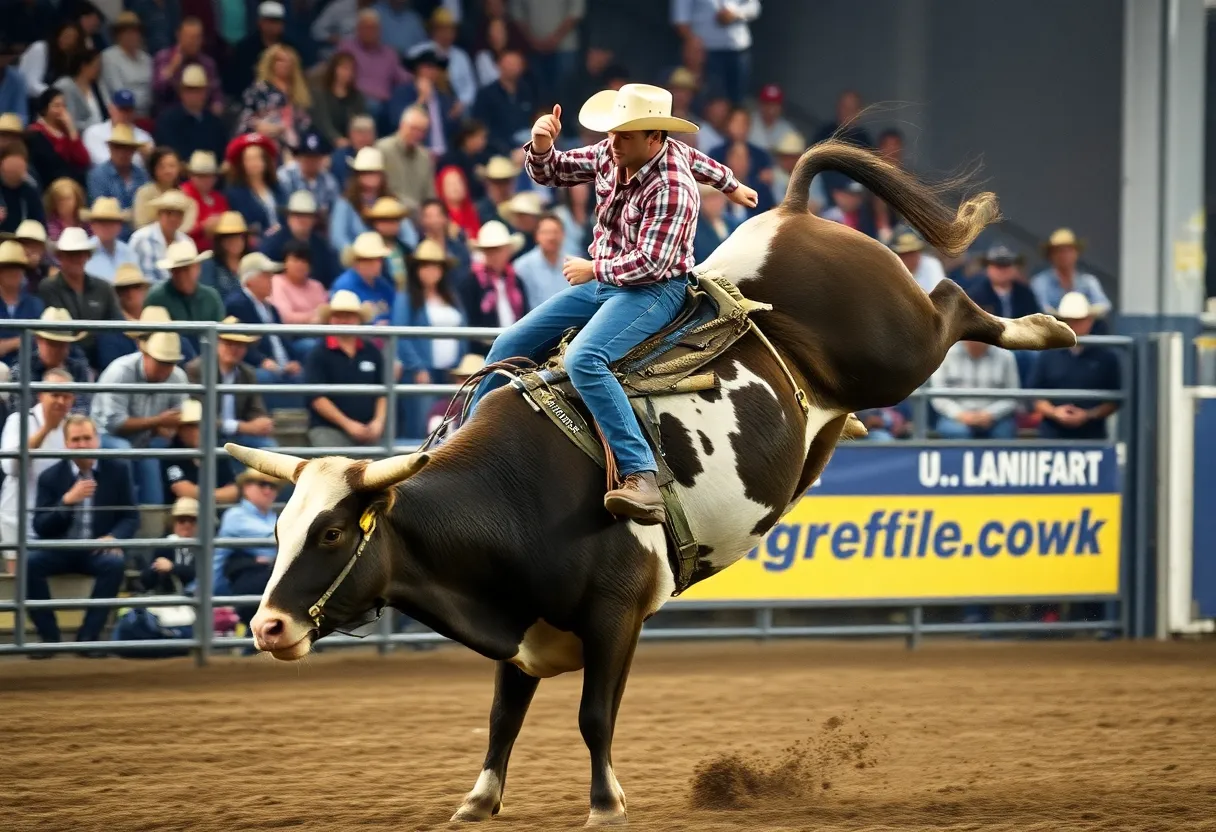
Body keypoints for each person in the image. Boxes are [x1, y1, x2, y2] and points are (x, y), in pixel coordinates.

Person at [469, 84, 757, 522]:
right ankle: (463, 444)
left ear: (654, 139)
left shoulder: (674, 188)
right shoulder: (617, 151)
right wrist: (542, 146)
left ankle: (641, 475)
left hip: (655, 288)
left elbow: (654, 262)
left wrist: (594, 269)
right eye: (612, 133)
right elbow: (554, 172)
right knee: (510, 341)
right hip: (607, 280)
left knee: (586, 359)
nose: (611, 143)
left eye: (624, 135)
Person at [27, 414, 136, 655]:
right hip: (60, 548)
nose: (82, 444)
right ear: (66, 444)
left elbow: (131, 516)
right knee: (30, 563)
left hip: (97, 548)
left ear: (97, 439)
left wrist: (114, 537)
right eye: (75, 439)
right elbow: (40, 526)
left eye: (87, 438)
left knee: (115, 564)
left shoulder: (117, 469)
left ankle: (88, 638)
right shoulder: (51, 476)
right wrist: (66, 502)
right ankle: (50, 638)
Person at [90, 330, 188, 505]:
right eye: (161, 362)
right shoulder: (120, 372)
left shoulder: (178, 377)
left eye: (170, 363)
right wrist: (158, 421)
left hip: (147, 438)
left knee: (156, 453)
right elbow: (115, 424)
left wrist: (167, 429)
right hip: (105, 436)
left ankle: (152, 519)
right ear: (145, 355)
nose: (166, 369)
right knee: (124, 449)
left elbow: (179, 418)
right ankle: (122, 509)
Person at [390, 238, 466, 437]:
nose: (430, 270)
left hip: (451, 372)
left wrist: (461, 366)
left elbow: (464, 331)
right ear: (416, 269)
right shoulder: (406, 297)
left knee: (449, 426)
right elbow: (401, 334)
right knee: (422, 426)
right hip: (422, 374)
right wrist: (417, 367)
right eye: (425, 265)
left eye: (435, 266)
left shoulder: (452, 296)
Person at [0, 368, 73, 566]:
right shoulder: (18, 421)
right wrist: (46, 429)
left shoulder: (74, 427)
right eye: (54, 394)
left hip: (52, 521)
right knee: (19, 589)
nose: (60, 401)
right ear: (41, 395)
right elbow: (11, 468)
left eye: (65, 396)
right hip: (17, 518)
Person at [1031, 292, 1121, 441]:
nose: (1073, 325)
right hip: (1053, 433)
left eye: (1079, 320)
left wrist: (1089, 415)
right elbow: (1034, 395)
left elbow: (1114, 399)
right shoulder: (1047, 353)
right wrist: (1054, 412)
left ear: (1090, 321)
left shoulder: (1106, 356)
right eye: (1069, 320)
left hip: (1092, 434)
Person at [304, 289, 384, 447]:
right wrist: (348, 425)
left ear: (358, 319)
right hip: (329, 429)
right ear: (330, 319)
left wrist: (378, 423)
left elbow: (384, 391)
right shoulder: (319, 352)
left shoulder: (371, 351)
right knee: (336, 467)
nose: (343, 320)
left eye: (349, 315)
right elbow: (317, 398)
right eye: (338, 315)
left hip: (369, 430)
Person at [212, 467, 281, 629]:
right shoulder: (235, 515)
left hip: (252, 579)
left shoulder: (272, 517)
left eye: (273, 486)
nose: (268, 490)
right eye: (263, 484)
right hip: (224, 587)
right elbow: (282, 539)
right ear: (246, 488)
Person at [928, 341, 1020, 440]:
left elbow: (1012, 396)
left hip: (995, 417)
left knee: (1002, 433)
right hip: (956, 417)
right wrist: (961, 415)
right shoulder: (944, 354)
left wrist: (989, 414)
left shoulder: (1006, 356)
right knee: (956, 432)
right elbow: (938, 396)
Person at [159, 398, 240, 505]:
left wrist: (205, 495)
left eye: (199, 425)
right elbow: (183, 490)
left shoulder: (217, 451)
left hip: (218, 513)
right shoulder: (171, 454)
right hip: (184, 517)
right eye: (189, 426)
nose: (195, 431)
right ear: (179, 429)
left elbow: (234, 491)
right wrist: (219, 495)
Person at [330, 230, 397, 324]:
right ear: (356, 262)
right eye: (368, 260)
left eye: (378, 259)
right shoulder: (344, 286)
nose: (376, 264)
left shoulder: (383, 285)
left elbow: (395, 312)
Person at [128, 188, 191, 282]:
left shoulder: (186, 241)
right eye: (169, 213)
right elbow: (130, 273)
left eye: (178, 214)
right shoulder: (140, 238)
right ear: (159, 214)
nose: (173, 218)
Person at [133, 146, 199, 232]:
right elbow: (140, 223)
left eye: (172, 166)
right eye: (162, 166)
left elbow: (187, 226)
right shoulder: (144, 193)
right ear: (154, 169)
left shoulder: (185, 195)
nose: (167, 171)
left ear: (179, 168)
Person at [99, 13, 153, 119]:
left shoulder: (147, 59)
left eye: (135, 32)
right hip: (122, 115)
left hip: (148, 114)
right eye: (127, 33)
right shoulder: (109, 57)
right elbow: (118, 91)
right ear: (118, 35)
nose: (132, 36)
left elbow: (152, 89)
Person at [142, 496, 199, 595]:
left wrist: (172, 567)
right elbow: (146, 581)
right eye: (182, 520)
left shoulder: (205, 545)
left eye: (192, 520)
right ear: (174, 522)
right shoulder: (164, 544)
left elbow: (200, 573)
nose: (187, 525)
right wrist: (156, 568)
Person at [82, 89, 153, 168]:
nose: (125, 114)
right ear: (110, 109)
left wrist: (148, 158)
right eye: (121, 110)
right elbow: (101, 162)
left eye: (129, 110)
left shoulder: (144, 138)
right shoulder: (93, 132)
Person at [0, 240, 43, 367]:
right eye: (7, 268)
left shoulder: (36, 304)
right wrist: (21, 341)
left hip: (30, 369)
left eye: (18, 267)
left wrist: (6, 344)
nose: (14, 272)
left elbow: (41, 342)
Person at [511, 212, 567, 304]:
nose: (551, 237)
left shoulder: (573, 263)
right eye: (546, 232)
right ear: (536, 236)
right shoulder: (521, 267)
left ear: (563, 235)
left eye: (555, 232)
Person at [83, 196, 135, 280]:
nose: (106, 227)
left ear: (119, 226)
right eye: (101, 222)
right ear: (92, 225)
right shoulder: (83, 253)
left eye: (111, 222)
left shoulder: (128, 252)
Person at [889, 227, 947, 293]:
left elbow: (937, 297)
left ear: (919, 251)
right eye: (904, 254)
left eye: (912, 253)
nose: (909, 258)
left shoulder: (931, 265)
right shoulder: (891, 270)